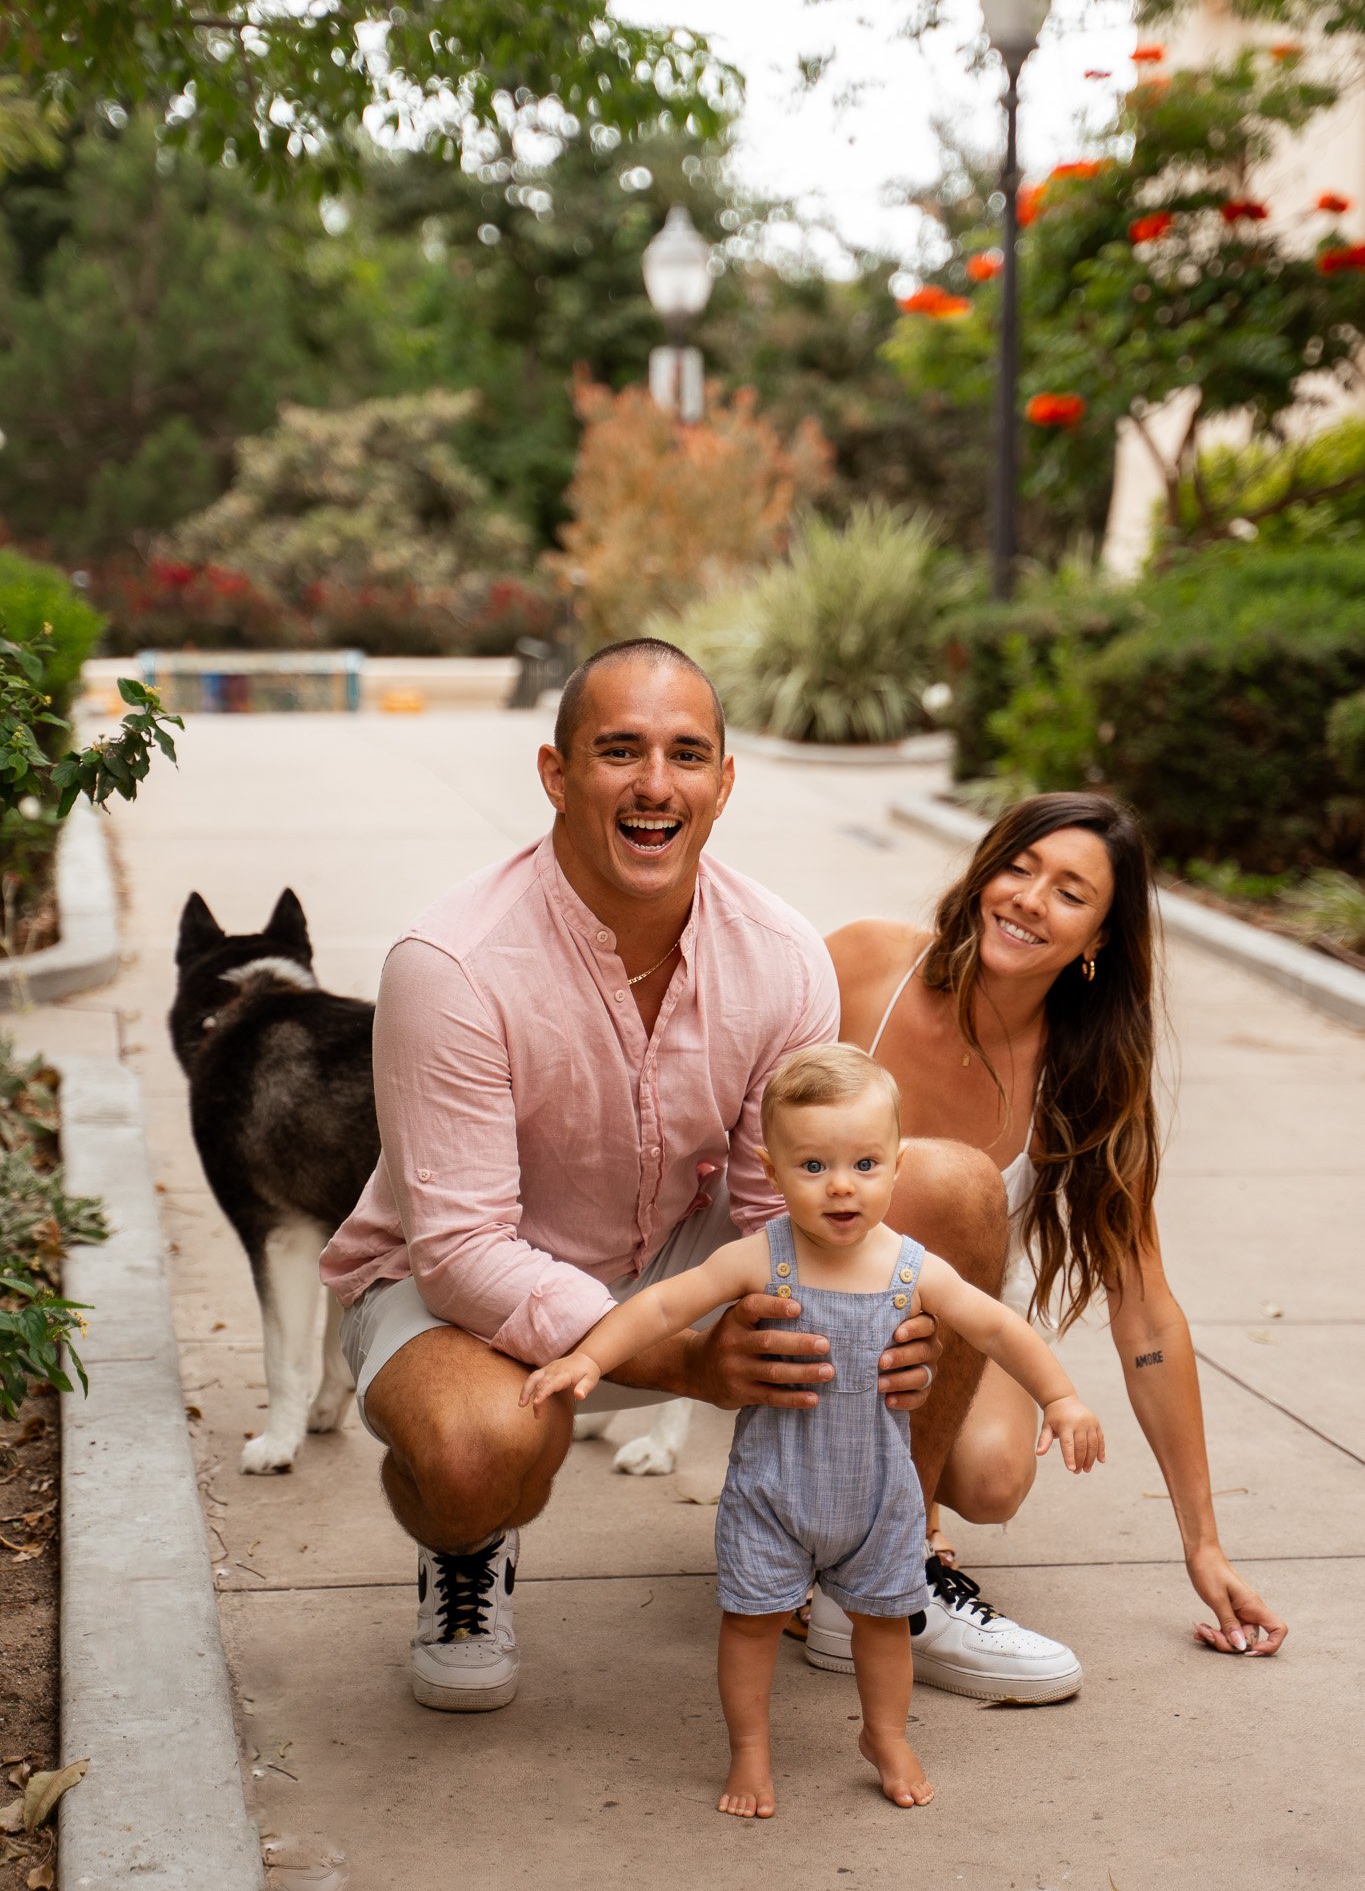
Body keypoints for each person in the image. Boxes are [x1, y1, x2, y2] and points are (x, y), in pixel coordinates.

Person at [319, 638, 1033, 1713]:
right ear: (557, 774)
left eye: (687, 754)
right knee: (478, 1456)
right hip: (456, 1286)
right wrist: (691, 1358)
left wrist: (850, 1310)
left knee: (953, 1189)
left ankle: (875, 1572)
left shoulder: (780, 952)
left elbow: (772, 1206)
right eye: (620, 750)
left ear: (723, 781)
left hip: (674, 1251)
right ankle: (463, 1546)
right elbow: (464, 1251)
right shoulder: (451, 962)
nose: (656, 784)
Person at [522, 1043, 1106, 1818]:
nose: (841, 1186)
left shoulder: (910, 1268)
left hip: (878, 1499)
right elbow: (666, 1305)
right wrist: (589, 1356)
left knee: (883, 1626)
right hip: (773, 1494)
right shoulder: (762, 1259)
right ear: (770, 1168)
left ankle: (886, 1736)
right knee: (750, 1624)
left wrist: (1060, 1398)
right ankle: (751, 1753)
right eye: (812, 1166)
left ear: (895, 1164)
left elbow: (996, 1328)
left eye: (864, 1164)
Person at [806, 790, 1287, 1677]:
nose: (1029, 900)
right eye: (1018, 868)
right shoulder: (865, 966)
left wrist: (1202, 1545)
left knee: (992, 1473)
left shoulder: (1087, 1072)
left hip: (943, 1310)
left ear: (1098, 939)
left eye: (1069, 893)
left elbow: (1144, 1315)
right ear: (984, 871)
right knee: (930, 1182)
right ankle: (867, 1544)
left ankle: (882, 1534)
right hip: (802, 1280)